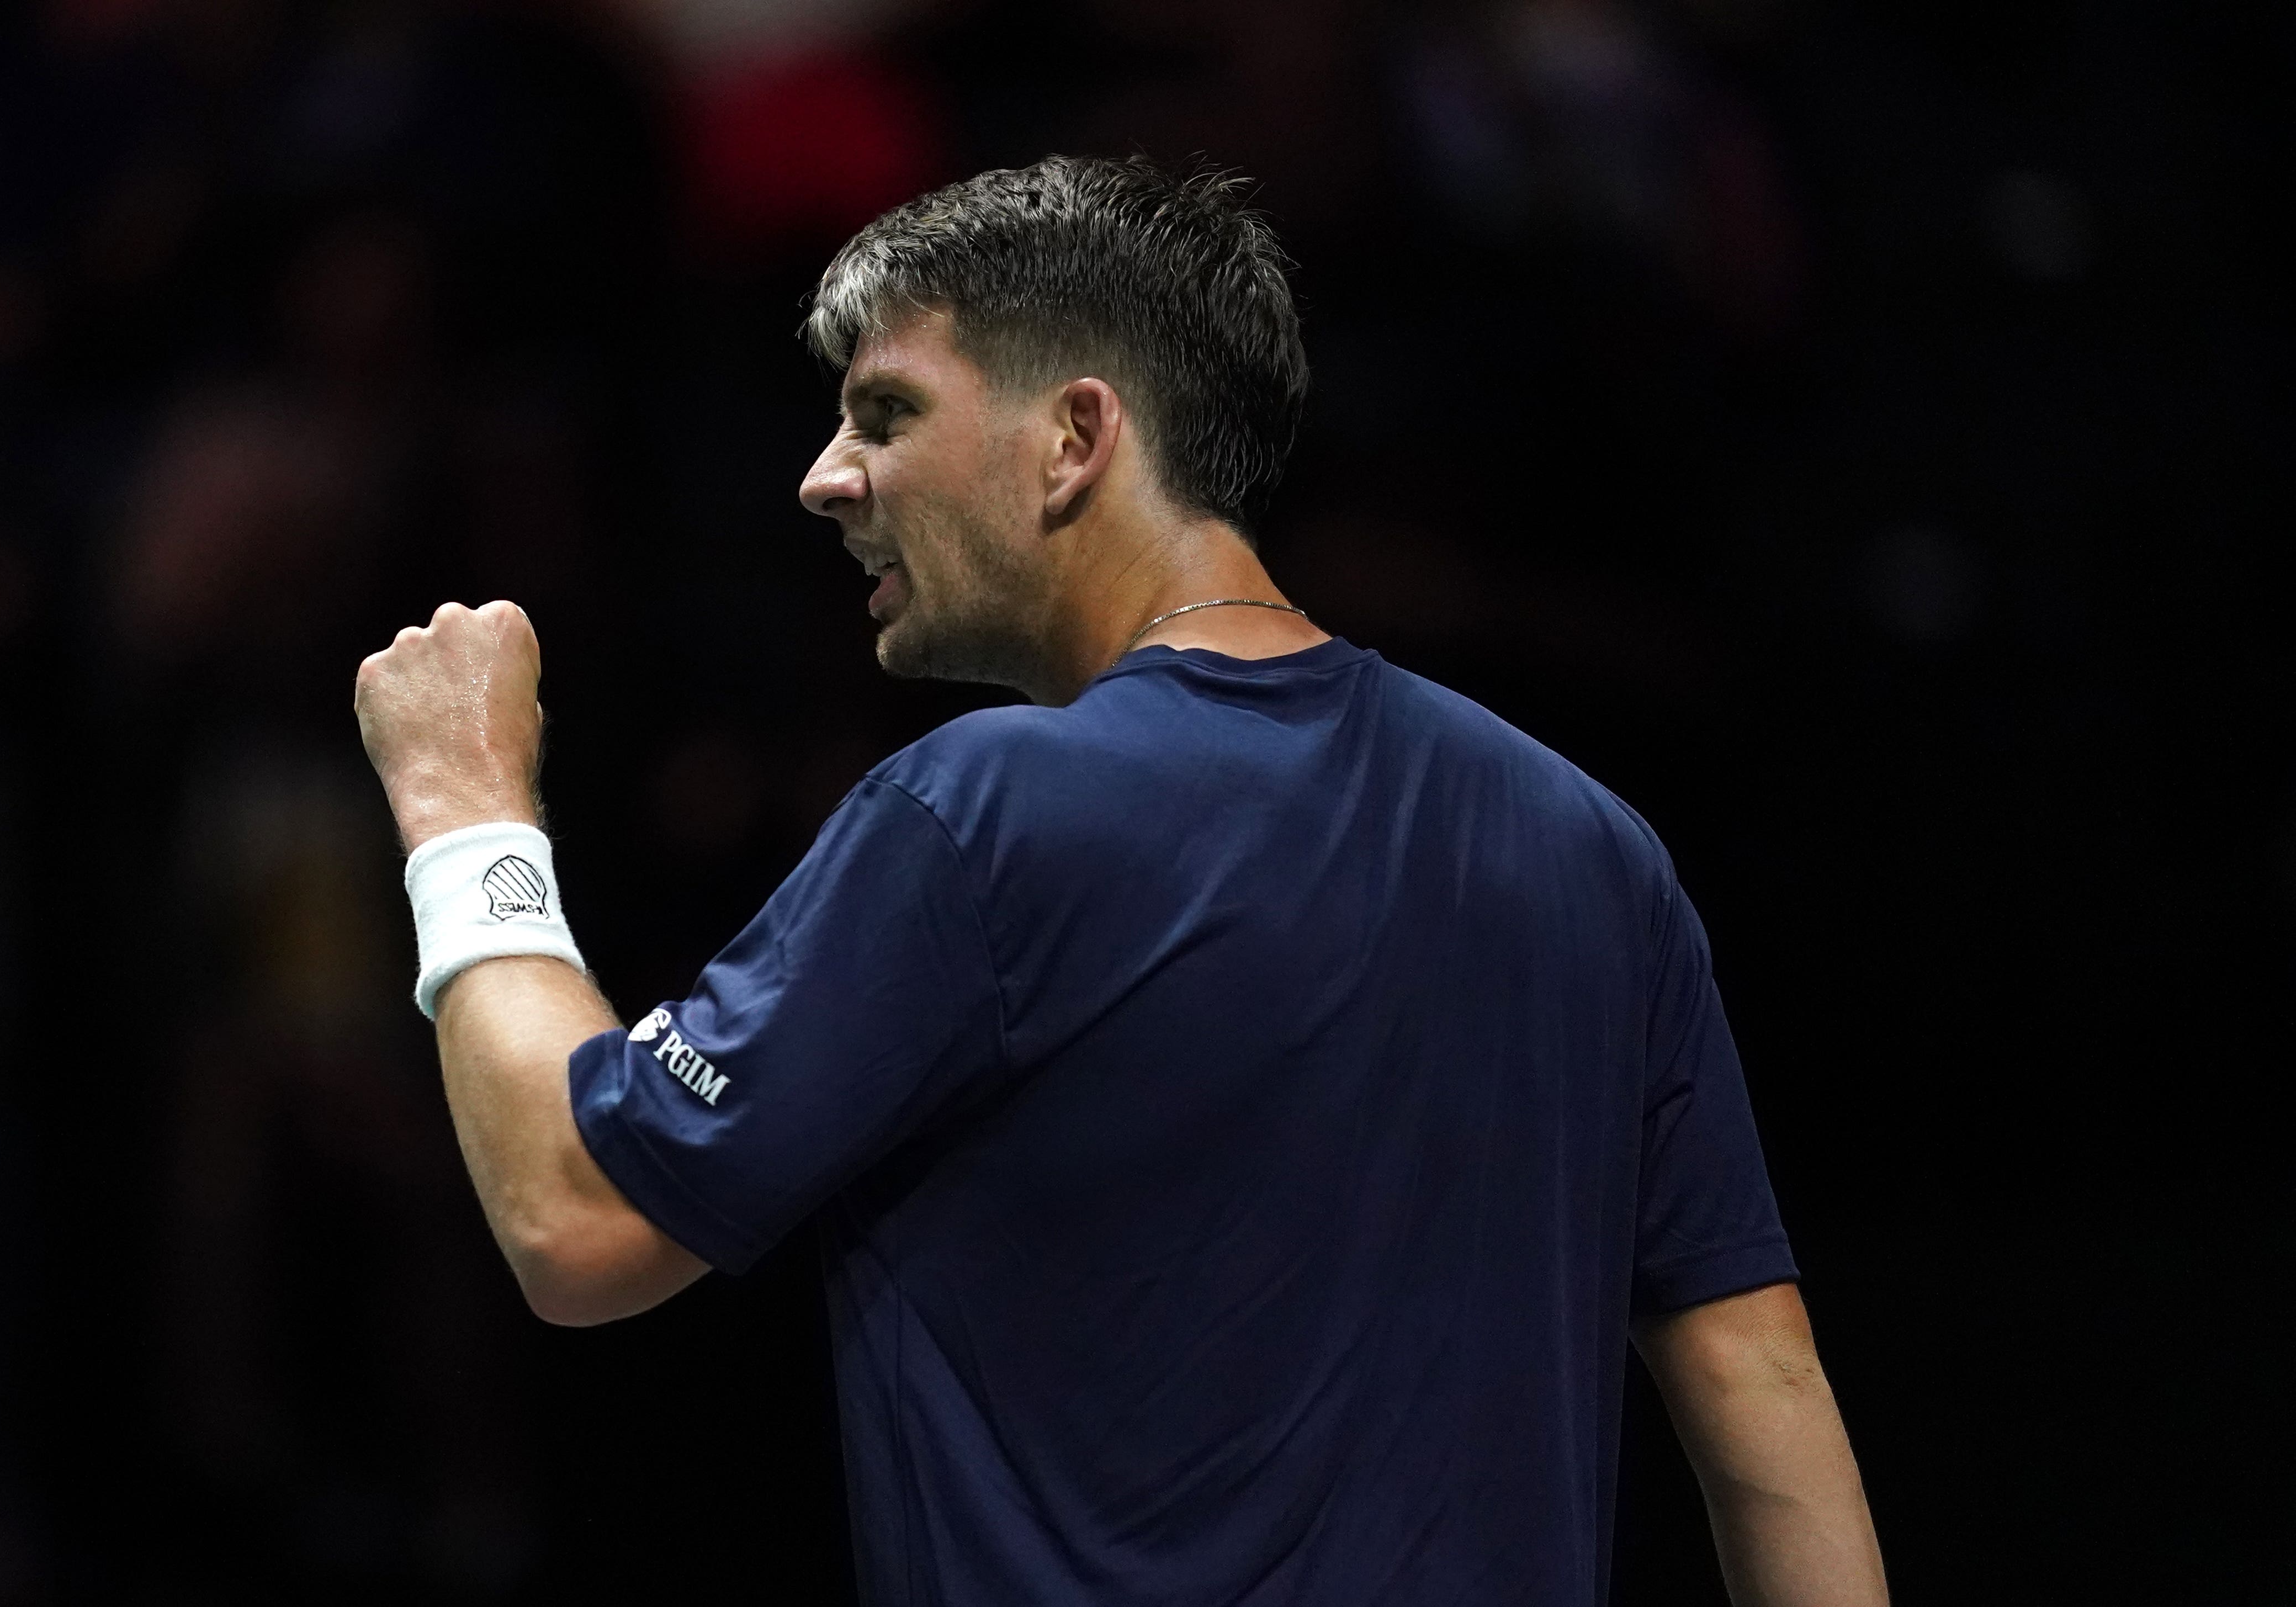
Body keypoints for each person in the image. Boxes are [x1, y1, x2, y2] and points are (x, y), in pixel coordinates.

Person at [353, 156, 1887, 1605]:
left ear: (1078, 436)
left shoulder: (988, 808)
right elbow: (1764, 1391)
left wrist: (462, 805)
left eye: (886, 413)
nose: (826, 479)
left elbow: (576, 1220)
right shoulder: (1591, 846)